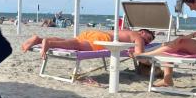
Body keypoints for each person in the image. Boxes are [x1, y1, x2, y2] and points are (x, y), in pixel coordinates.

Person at [144, 0, 196, 87]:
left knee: (180, 42)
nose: (191, 9)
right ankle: (167, 80)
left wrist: (190, 36)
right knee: (174, 43)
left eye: (190, 6)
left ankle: (146, 55)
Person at [21, 29, 155, 60]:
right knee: (77, 46)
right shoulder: (137, 36)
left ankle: (39, 40)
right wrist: (143, 57)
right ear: (142, 32)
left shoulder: (125, 31)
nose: (146, 41)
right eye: (147, 38)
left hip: (93, 33)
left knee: (71, 41)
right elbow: (140, 53)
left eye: (148, 42)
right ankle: (49, 43)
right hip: (103, 39)